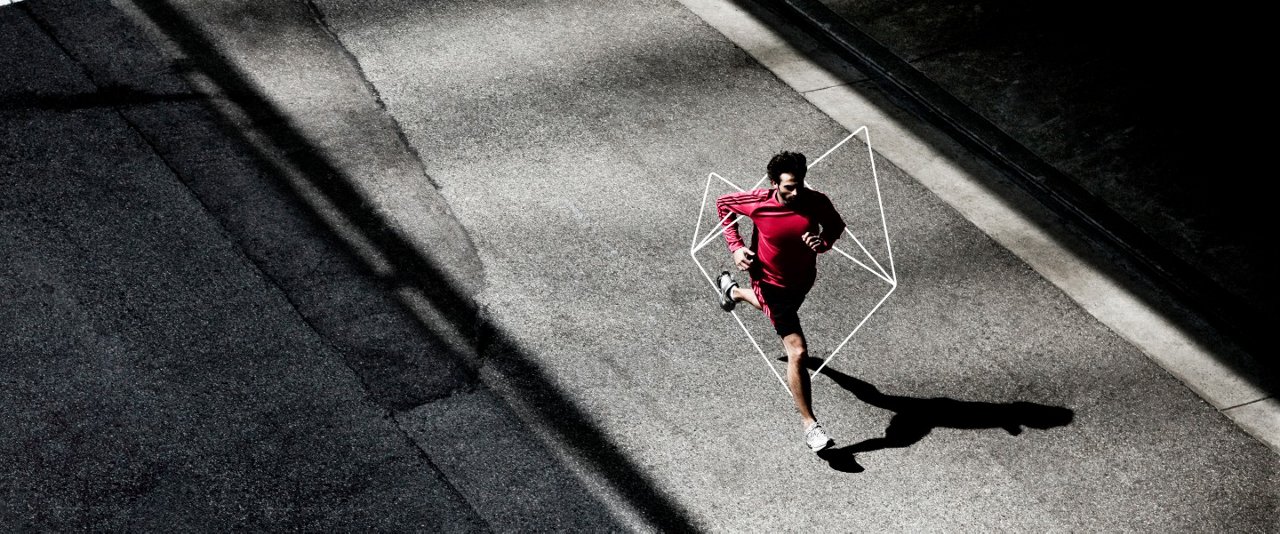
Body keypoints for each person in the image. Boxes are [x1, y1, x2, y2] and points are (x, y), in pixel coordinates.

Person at [714, 150, 846, 453]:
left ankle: (731, 291)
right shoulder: (758, 202)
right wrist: (735, 247)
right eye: (788, 187)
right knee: (798, 351)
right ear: (774, 183)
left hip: (801, 282)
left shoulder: (816, 201)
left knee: (770, 311)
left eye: (799, 184)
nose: (795, 192)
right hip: (768, 282)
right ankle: (811, 426)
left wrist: (823, 243)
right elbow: (723, 204)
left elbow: (836, 225)